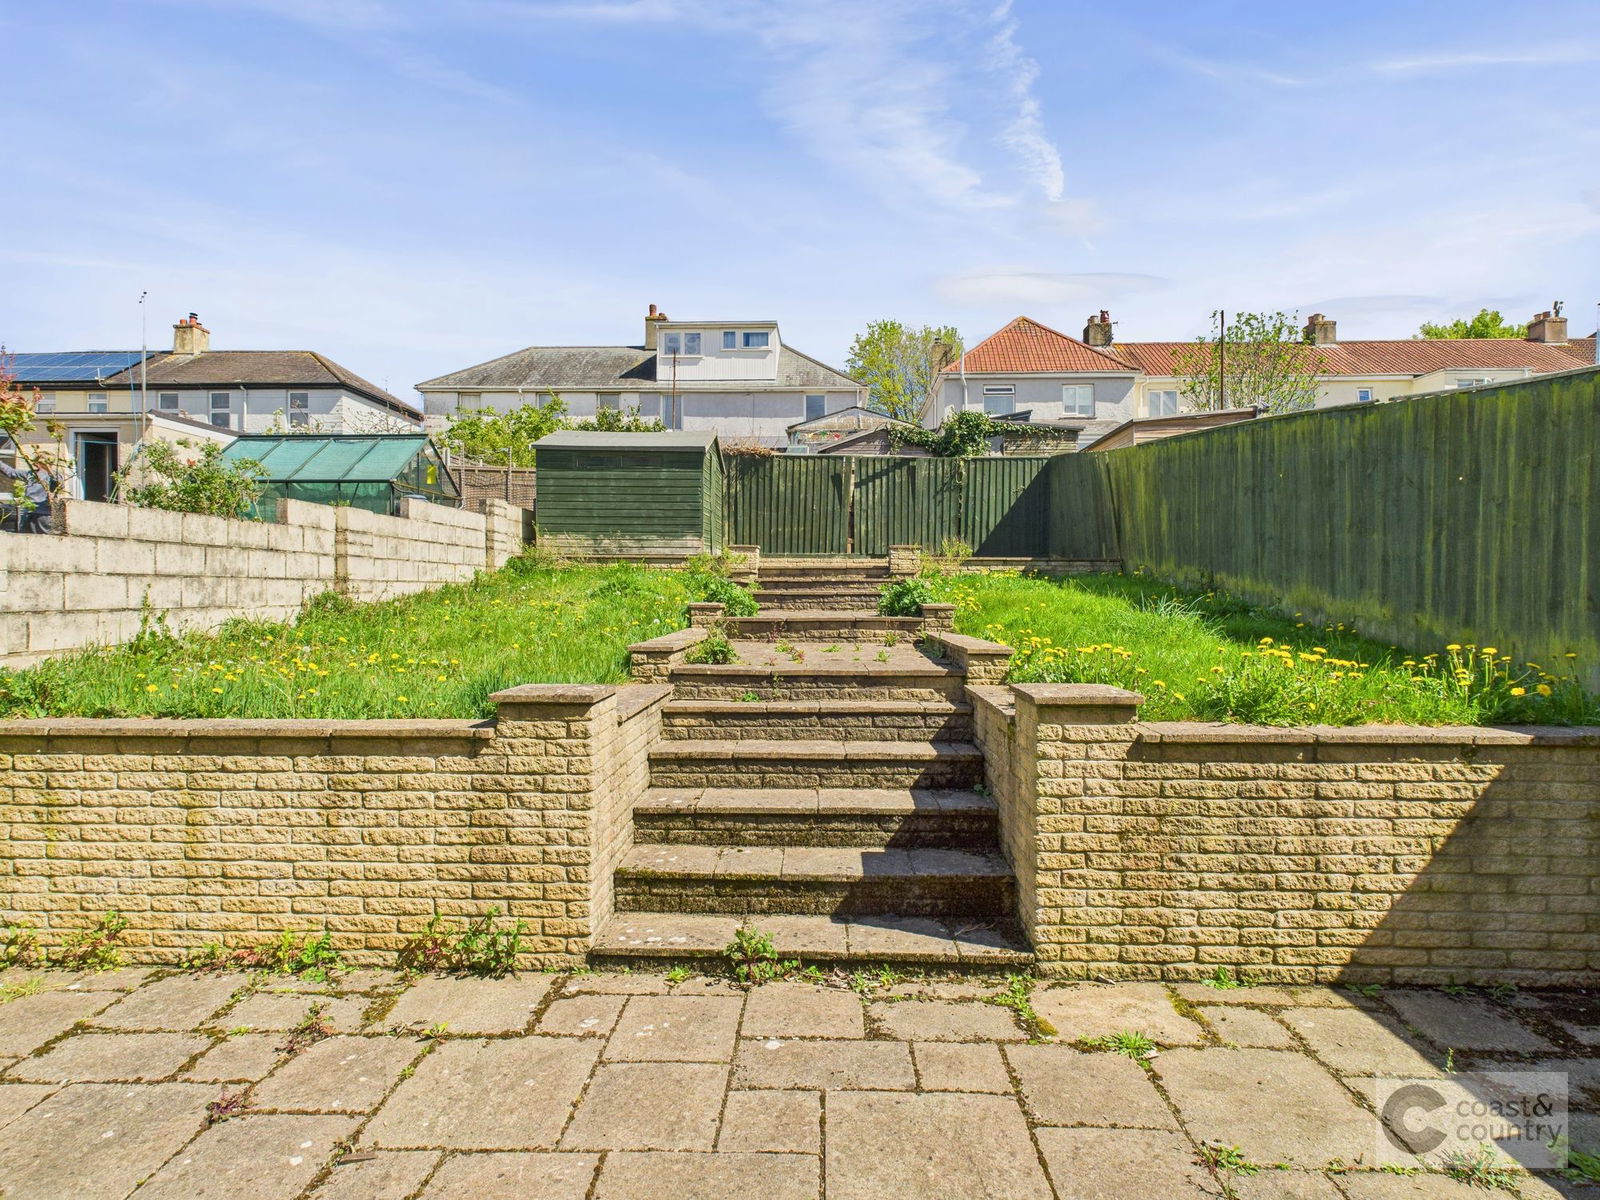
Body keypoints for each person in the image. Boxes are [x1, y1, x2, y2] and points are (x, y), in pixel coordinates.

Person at [0, 441, 65, 534]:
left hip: (43, 514)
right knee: (25, 538)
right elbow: (11, 472)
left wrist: (49, 470)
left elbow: (60, 484)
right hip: (27, 512)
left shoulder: (52, 476)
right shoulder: (30, 474)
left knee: (44, 538)